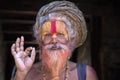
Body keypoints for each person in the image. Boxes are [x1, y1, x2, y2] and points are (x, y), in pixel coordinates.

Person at [11, 1, 98, 80]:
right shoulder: (28, 73)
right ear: (40, 41)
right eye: (48, 35)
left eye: (60, 34)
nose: (54, 40)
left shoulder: (85, 74)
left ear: (70, 40)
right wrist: (21, 74)